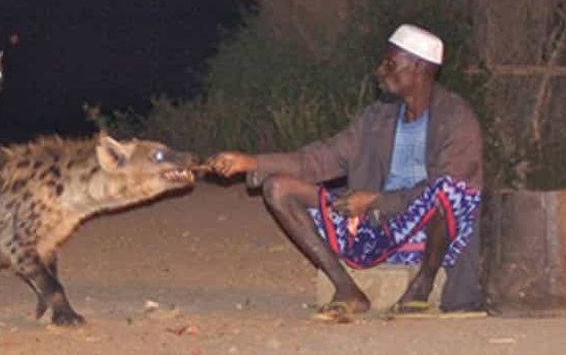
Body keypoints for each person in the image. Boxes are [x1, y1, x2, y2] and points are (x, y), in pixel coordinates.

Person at [208, 24, 485, 322]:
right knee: (278, 188)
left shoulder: (456, 118)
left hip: (432, 240)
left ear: (419, 67)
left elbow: (447, 189)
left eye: (390, 63)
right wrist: (251, 162)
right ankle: (346, 288)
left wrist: (375, 200)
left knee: (452, 189)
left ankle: (422, 288)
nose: (380, 70)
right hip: (374, 235)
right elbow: (318, 159)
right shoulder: (376, 118)